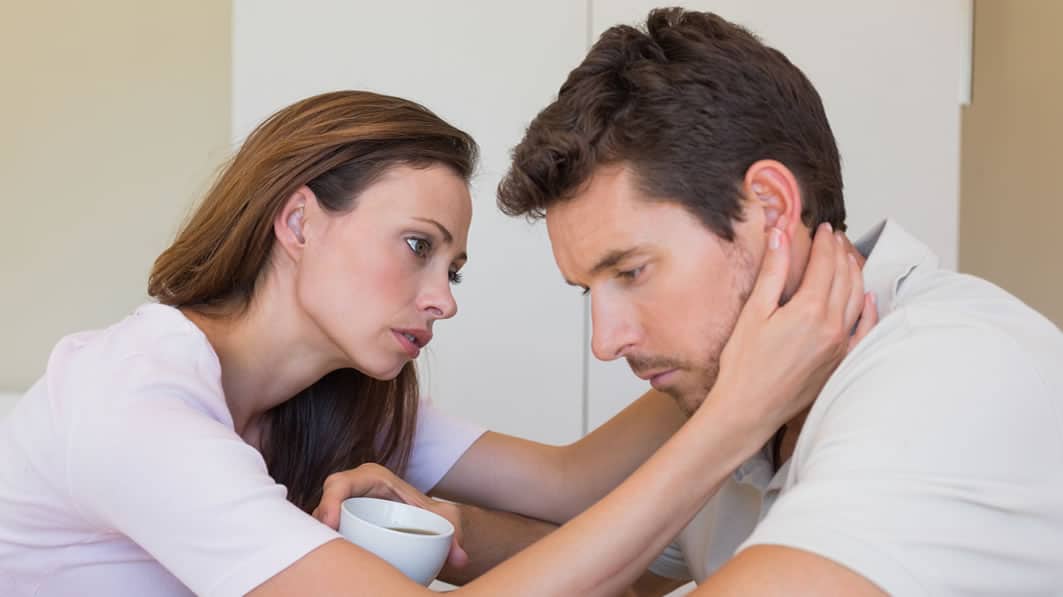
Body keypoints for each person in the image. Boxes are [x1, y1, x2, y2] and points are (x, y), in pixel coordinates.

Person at [0, 89, 873, 596]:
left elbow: (566, 482)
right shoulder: (137, 406)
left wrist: (747, 331)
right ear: (298, 220)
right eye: (417, 247)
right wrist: (738, 413)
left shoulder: (333, 395)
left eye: (453, 269)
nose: (440, 300)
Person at [495, 7, 1063, 596]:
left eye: (633, 271)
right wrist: (445, 528)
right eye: (590, 291)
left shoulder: (948, 376)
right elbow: (623, 575)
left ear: (768, 209)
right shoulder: (745, 380)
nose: (605, 341)